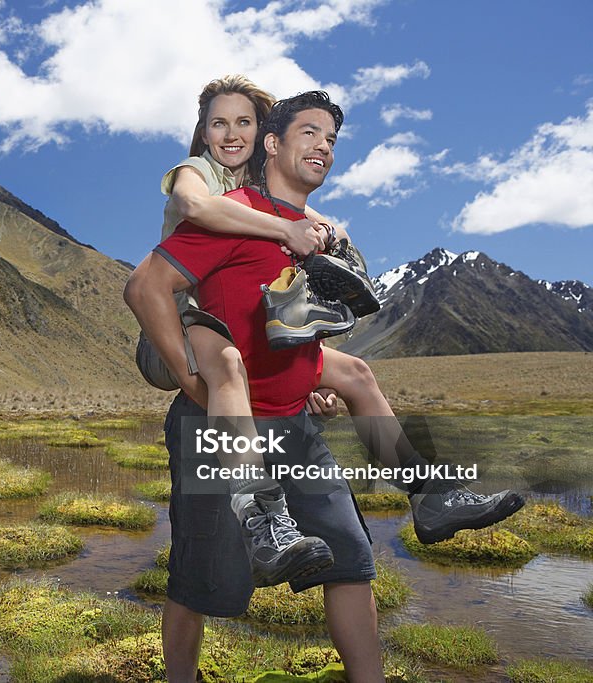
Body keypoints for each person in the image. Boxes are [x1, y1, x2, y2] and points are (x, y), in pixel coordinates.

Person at [137, 75, 523, 551]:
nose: (232, 134)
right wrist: (289, 228)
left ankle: (429, 497)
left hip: (229, 330)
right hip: (175, 327)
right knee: (228, 368)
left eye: (244, 122)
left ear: (263, 137)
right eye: (219, 123)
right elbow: (192, 210)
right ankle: (262, 519)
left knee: (356, 373)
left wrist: (320, 231)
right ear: (203, 132)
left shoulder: (258, 188)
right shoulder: (198, 172)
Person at [126, 91, 385, 681]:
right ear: (276, 144)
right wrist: (190, 380)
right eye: (308, 134)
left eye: (330, 140)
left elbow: (282, 320)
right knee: (200, 579)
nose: (321, 148)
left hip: (291, 420)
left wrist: (314, 375)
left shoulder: (306, 228)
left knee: (350, 561)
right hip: (208, 401)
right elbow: (148, 284)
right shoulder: (216, 201)